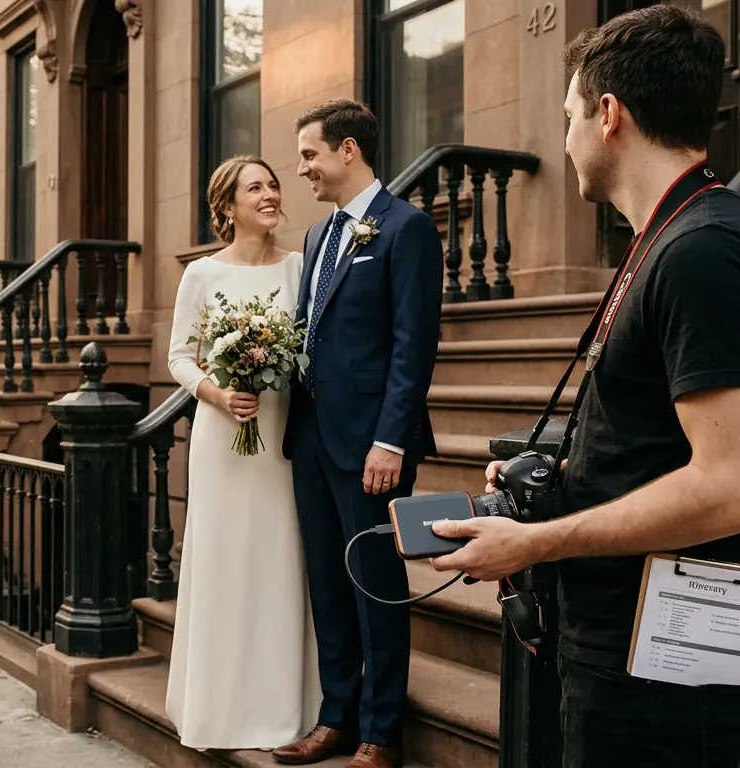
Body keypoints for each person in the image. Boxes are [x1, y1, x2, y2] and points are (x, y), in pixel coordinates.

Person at [429, 7, 740, 767]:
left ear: (609, 115)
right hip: (624, 648)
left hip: (665, 672)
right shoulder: (670, 240)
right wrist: (561, 481)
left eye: (570, 116)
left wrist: (538, 540)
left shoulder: (703, 250)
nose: (565, 138)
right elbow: (656, 440)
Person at [274, 100, 443, 768]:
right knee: (327, 581)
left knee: (375, 583)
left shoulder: (407, 229)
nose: (302, 169)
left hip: (372, 441)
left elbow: (413, 346)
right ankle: (335, 717)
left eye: (310, 155)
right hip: (311, 434)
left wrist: (391, 441)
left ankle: (382, 732)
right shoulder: (318, 237)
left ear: (348, 150)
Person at [165, 155, 322, 751]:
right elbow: (180, 355)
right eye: (255, 187)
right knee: (226, 564)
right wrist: (216, 392)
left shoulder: (301, 268)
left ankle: (283, 705)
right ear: (228, 208)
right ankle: (220, 706)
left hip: (282, 438)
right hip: (223, 440)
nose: (271, 193)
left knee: (280, 561)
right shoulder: (202, 275)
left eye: (274, 184)